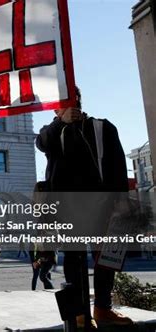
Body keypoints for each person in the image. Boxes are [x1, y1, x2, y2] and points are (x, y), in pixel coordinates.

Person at [36, 86, 133, 328]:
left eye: (72, 99)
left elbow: (118, 167)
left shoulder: (103, 127)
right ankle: (80, 314)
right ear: (55, 108)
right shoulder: (52, 132)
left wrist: (121, 201)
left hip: (103, 205)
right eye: (61, 103)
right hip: (68, 206)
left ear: (79, 101)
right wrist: (61, 122)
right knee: (74, 257)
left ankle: (102, 308)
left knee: (106, 259)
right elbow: (42, 143)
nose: (69, 105)